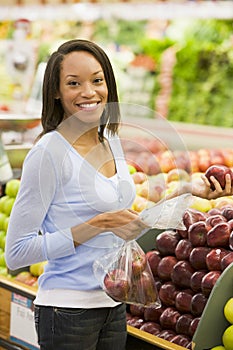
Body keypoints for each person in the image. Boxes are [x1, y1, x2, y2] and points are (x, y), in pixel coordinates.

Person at [5, 39, 233, 350]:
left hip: (114, 305)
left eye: (97, 81)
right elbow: (18, 252)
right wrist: (96, 225)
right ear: (56, 91)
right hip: (67, 311)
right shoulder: (48, 153)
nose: (89, 92)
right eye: (74, 83)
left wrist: (187, 190)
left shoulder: (110, 140)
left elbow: (131, 223)